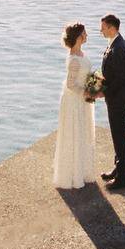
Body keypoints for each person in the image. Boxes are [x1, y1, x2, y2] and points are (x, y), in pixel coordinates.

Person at [52, 22, 96, 189]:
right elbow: (71, 85)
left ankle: (81, 170)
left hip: (80, 100)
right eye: (84, 33)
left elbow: (82, 77)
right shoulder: (74, 60)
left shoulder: (80, 53)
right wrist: (87, 92)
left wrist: (93, 85)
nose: (86, 35)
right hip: (74, 101)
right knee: (74, 132)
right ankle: (72, 174)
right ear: (78, 37)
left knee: (82, 131)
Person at [98, 14, 125, 189]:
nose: (101, 30)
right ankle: (118, 168)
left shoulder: (119, 48)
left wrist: (102, 93)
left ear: (112, 27)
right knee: (117, 134)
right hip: (117, 97)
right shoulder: (115, 43)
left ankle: (123, 178)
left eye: (103, 27)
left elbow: (118, 79)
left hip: (118, 98)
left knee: (119, 135)